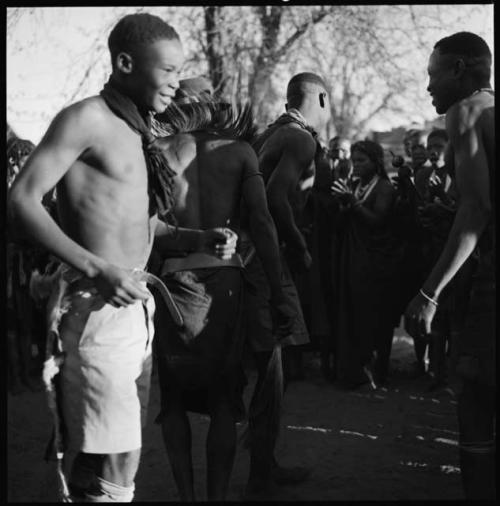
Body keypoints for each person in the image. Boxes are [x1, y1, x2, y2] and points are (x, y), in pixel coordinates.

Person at [7, 13, 237, 503]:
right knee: (118, 458)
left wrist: (197, 236)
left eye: (181, 72)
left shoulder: (138, 130)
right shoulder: (85, 118)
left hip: (133, 307)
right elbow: (21, 200)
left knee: (112, 456)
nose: (177, 84)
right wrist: (97, 269)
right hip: (96, 306)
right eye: (169, 70)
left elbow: (139, 226)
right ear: (126, 63)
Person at [150, 77, 293, 501]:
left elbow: (144, 227)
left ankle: (188, 498)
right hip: (224, 285)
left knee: (172, 402)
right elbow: (264, 226)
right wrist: (279, 293)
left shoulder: (156, 151)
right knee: (223, 404)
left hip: (172, 283)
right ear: (213, 103)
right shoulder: (239, 151)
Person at [405, 32, 495, 500]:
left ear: (459, 69)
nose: (428, 88)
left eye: (432, 75)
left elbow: (475, 212)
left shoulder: (468, 112)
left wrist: (428, 294)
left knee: (477, 399)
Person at [243, 72, 331, 497]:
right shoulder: (300, 139)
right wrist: (298, 245)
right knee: (269, 365)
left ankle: (263, 462)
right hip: (265, 259)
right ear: (321, 97)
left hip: (246, 258)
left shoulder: (270, 133)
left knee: (264, 366)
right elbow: (276, 198)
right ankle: (261, 473)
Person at [331, 140, 404, 388]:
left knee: (374, 316)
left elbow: (377, 222)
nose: (357, 165)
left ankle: (377, 371)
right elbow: (344, 224)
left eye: (362, 160)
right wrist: (342, 206)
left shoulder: (383, 188)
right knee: (352, 315)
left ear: (376, 162)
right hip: (353, 260)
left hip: (375, 263)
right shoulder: (355, 185)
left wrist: (352, 203)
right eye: (354, 160)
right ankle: (354, 371)